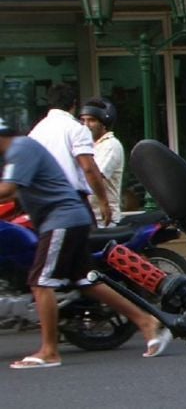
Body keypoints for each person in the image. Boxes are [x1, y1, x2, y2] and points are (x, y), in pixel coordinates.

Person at [0, 118, 171, 369]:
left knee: (40, 282)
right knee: (84, 281)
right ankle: (147, 322)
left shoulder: (20, 148)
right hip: (70, 219)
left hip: (61, 220)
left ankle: (49, 352)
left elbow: (7, 189)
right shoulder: (18, 151)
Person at [28, 83, 112, 227]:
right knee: (87, 239)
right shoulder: (76, 129)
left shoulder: (36, 131)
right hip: (72, 201)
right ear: (74, 103)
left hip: (43, 201)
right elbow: (88, 168)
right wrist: (103, 201)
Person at [78, 98, 124, 227]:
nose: (86, 125)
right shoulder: (88, 146)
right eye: (83, 120)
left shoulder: (110, 145)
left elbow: (95, 175)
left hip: (103, 219)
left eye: (91, 120)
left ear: (104, 123)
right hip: (88, 216)